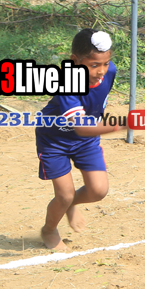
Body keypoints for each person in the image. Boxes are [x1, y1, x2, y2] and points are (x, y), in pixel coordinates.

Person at [34, 28, 126, 250]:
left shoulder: (109, 71)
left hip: (86, 141)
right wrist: (122, 124)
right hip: (54, 140)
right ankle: (49, 230)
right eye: (94, 65)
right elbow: (81, 127)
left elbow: (95, 103)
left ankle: (68, 205)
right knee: (64, 195)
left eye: (105, 63)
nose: (101, 71)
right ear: (74, 61)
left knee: (98, 191)